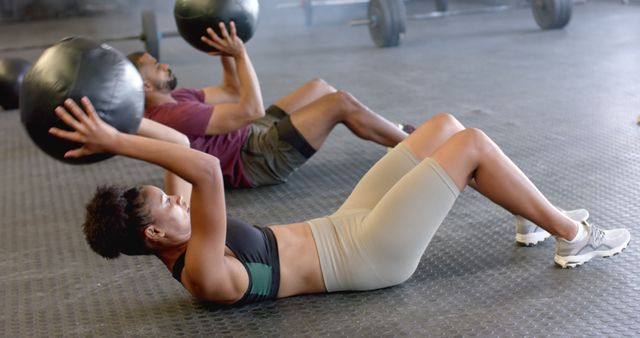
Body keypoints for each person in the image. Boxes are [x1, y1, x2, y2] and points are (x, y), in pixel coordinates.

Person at [50, 97, 630, 307]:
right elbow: (202, 167)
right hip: (367, 256)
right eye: (164, 203)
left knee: (443, 127)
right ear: (153, 234)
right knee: (471, 146)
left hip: (344, 223)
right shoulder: (199, 270)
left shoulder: (174, 229)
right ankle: (574, 238)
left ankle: (530, 217)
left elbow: (177, 144)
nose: (174, 202)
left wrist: (116, 116)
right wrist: (114, 143)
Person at [126, 22, 412, 189]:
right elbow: (251, 109)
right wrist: (240, 54)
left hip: (250, 136)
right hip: (255, 159)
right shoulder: (172, 115)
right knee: (340, 103)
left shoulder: (180, 97)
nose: (164, 65)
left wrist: (224, 52)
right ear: (145, 87)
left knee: (319, 87)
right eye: (155, 67)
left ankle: (391, 133)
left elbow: (231, 90)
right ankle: (415, 146)